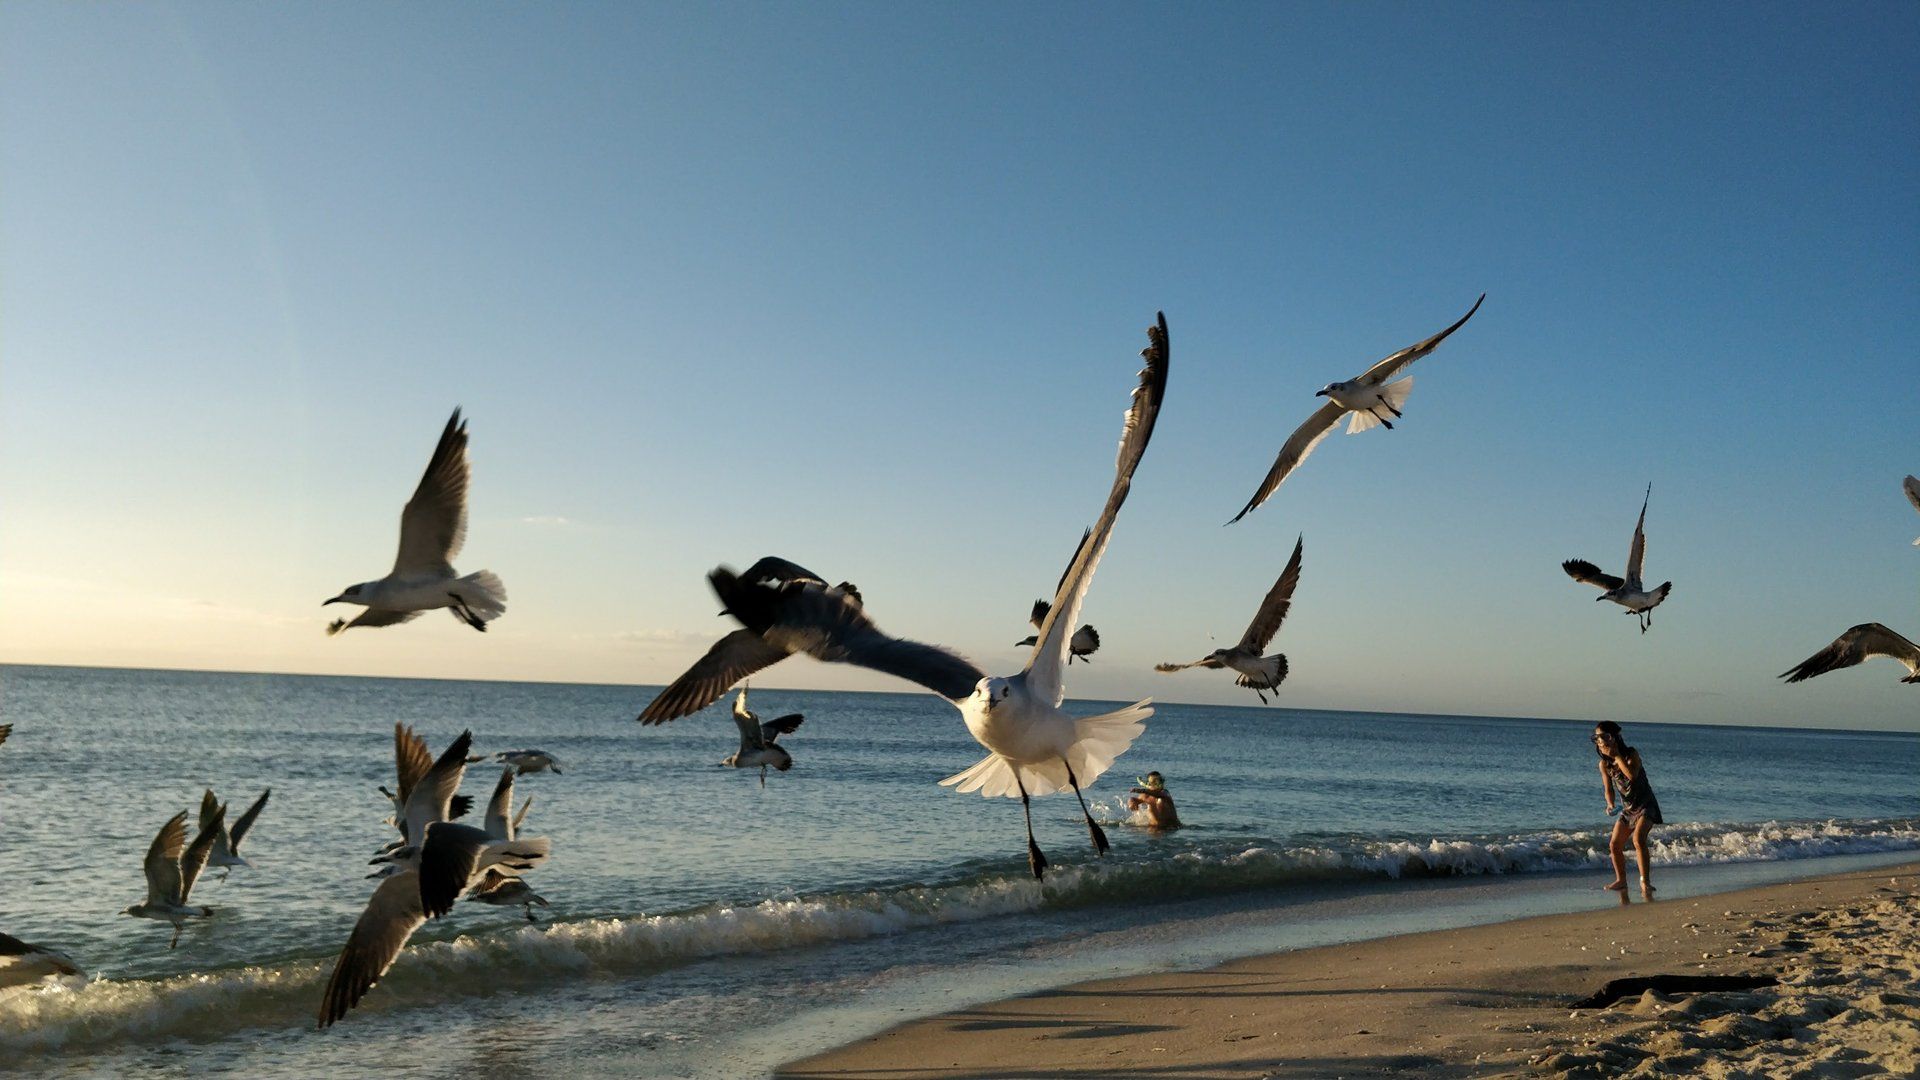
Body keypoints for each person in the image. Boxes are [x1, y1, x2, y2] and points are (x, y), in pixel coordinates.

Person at [1593, 721, 1662, 898]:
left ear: (1615, 738)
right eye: (1597, 739)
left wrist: (1617, 757)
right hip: (1628, 808)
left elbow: (1631, 775)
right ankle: (1621, 880)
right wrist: (1610, 803)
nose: (1601, 743)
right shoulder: (1604, 765)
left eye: (1605, 738)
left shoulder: (1631, 754)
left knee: (1638, 840)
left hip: (1646, 805)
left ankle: (1645, 882)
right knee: (1614, 845)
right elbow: (1608, 788)